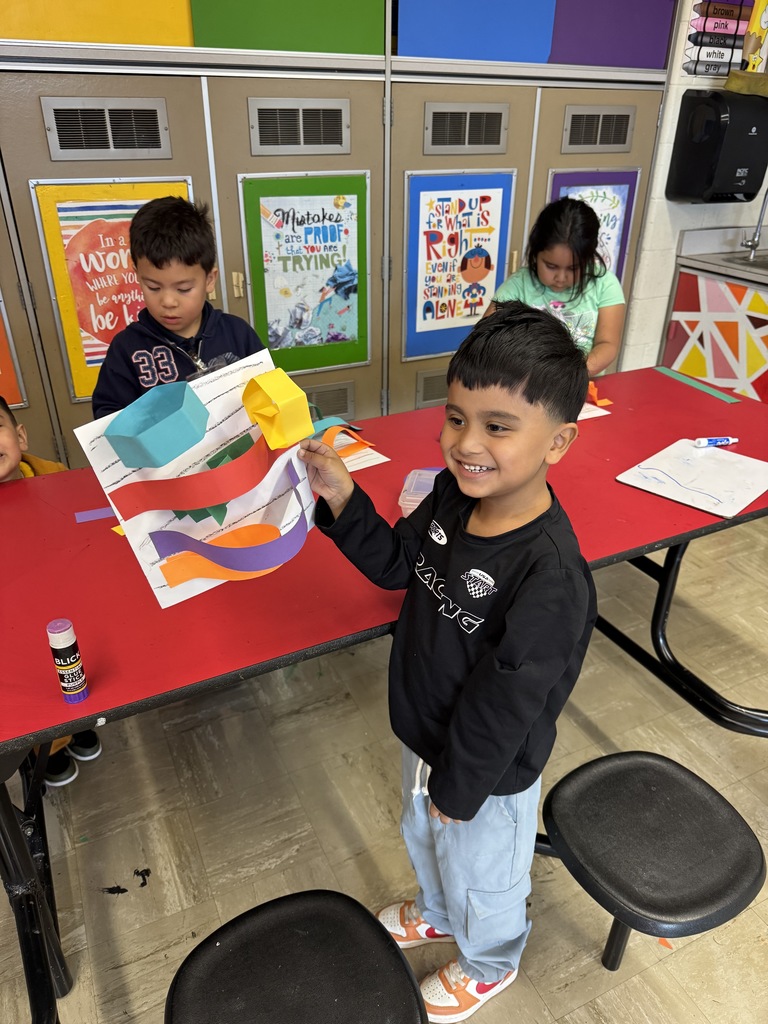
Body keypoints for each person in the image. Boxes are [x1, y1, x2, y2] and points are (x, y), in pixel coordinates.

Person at [298, 302, 597, 1022]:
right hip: (424, 728)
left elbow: (509, 701)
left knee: (484, 871)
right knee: (421, 833)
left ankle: (489, 959)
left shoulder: (551, 578)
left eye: (498, 426)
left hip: (488, 772)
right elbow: (402, 564)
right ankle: (436, 910)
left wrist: (461, 789)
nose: (467, 443)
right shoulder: (452, 497)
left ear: (558, 442)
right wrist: (343, 499)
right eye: (456, 417)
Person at [0, 395, 102, 787]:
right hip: (15, 612)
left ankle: (80, 724)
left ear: (20, 435)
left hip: (66, 596)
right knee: (36, 679)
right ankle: (49, 746)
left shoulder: (56, 474)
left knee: (81, 659)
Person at [91, 196, 265, 417]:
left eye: (183, 289)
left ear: (210, 280)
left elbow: (271, 393)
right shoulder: (126, 349)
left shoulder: (238, 334)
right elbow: (107, 418)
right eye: (153, 287)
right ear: (137, 275)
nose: (168, 302)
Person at [484, 197, 625, 376]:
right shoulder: (518, 286)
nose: (560, 277)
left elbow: (607, 344)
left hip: (581, 385)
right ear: (535, 253)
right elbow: (485, 336)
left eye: (573, 268)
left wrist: (571, 375)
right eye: (551, 266)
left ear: (589, 258)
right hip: (527, 384)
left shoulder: (605, 284)